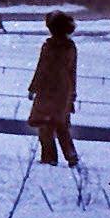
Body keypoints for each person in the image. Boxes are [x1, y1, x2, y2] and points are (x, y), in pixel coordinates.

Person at [29, 11, 80, 167]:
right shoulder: (71, 47)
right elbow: (72, 71)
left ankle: (49, 157)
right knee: (62, 125)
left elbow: (41, 69)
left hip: (47, 90)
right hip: (64, 90)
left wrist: (33, 88)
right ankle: (71, 156)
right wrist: (72, 93)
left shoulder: (49, 47)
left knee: (45, 127)